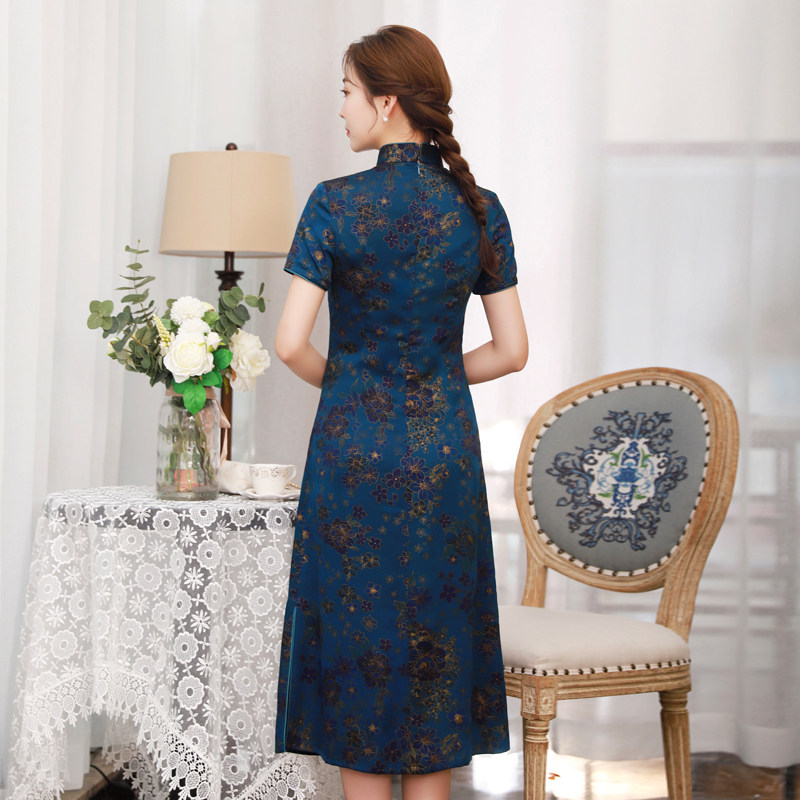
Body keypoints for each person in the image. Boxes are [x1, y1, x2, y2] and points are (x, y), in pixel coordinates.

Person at [273, 24, 528, 800]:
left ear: (386, 102)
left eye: (347, 92)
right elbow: (511, 351)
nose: (341, 109)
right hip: (443, 452)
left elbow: (289, 344)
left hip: (352, 452)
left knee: (360, 657)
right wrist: (432, 380)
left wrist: (356, 384)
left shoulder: (333, 204)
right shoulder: (480, 209)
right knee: (432, 662)